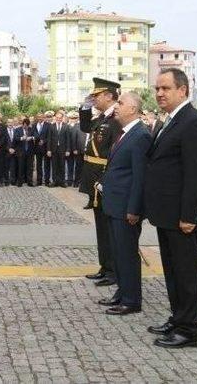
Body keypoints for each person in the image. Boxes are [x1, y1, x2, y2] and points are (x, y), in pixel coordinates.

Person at [144, 68, 197, 348]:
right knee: (172, 270)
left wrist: (189, 215)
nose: (159, 93)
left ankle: (189, 330)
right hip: (167, 214)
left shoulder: (193, 121)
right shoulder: (171, 120)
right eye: (157, 88)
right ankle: (178, 317)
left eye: (166, 88)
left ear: (183, 90)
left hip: (182, 216)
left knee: (186, 273)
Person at [98, 92, 151, 315]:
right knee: (118, 252)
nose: (116, 106)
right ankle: (122, 293)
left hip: (125, 208)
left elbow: (140, 177)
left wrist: (134, 209)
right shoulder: (125, 133)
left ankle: (131, 300)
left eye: (121, 103)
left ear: (133, 109)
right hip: (114, 204)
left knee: (127, 254)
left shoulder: (140, 135)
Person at [80, 78, 123, 287]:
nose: (94, 98)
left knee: (109, 229)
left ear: (109, 96)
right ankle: (105, 267)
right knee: (101, 228)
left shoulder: (116, 119)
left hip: (105, 181)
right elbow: (85, 126)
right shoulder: (103, 118)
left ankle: (113, 270)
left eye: (96, 96)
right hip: (96, 181)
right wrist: (84, 108)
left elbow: (116, 154)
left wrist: (104, 180)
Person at [47, 110, 70, 188]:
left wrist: (67, 150)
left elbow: (68, 139)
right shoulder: (51, 126)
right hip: (53, 150)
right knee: (54, 166)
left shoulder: (66, 126)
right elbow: (49, 138)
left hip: (63, 150)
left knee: (62, 166)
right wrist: (48, 150)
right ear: (55, 118)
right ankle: (54, 181)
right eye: (57, 118)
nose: (59, 119)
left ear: (62, 118)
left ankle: (62, 182)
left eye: (60, 118)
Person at [13, 117, 34, 186]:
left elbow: (37, 135)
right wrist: (22, 138)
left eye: (27, 126)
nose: (26, 127)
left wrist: (31, 137)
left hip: (29, 151)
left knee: (30, 167)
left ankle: (29, 181)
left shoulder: (31, 129)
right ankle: (20, 182)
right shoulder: (17, 130)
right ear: (23, 124)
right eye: (24, 125)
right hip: (21, 152)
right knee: (20, 167)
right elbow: (15, 138)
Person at [32, 112, 50, 186]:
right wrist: (39, 139)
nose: (39, 118)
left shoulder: (48, 125)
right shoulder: (34, 125)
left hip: (46, 148)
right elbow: (33, 133)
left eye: (41, 117)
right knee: (38, 165)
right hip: (37, 148)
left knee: (46, 165)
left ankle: (46, 181)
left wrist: (44, 141)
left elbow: (50, 136)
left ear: (44, 117)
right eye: (38, 117)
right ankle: (39, 181)